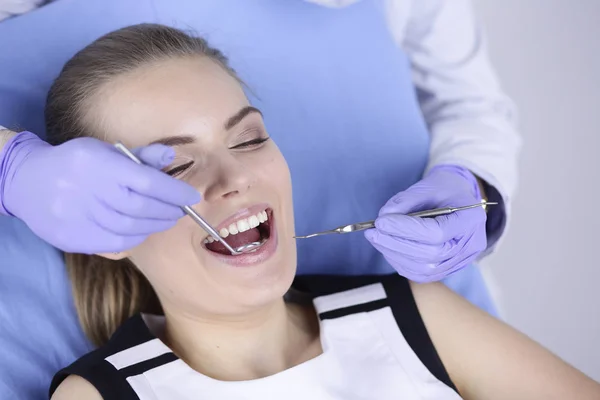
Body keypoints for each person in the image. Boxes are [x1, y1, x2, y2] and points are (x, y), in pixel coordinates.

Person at [46, 24, 599, 400]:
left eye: (248, 139)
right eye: (173, 168)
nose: (236, 179)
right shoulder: (104, 394)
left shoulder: (413, 318)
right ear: (100, 229)